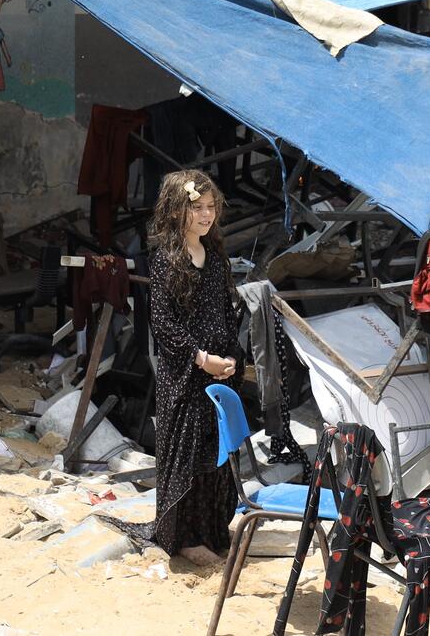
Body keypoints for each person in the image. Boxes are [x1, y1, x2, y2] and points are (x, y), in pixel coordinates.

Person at [142, 168, 242, 565]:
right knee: (188, 455)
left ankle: (213, 532)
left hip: (218, 369)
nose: (205, 215)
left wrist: (232, 356)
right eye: (196, 208)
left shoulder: (215, 258)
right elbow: (163, 322)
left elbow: (225, 311)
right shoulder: (167, 259)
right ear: (176, 210)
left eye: (210, 207)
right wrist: (200, 359)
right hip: (185, 376)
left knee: (215, 454)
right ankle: (185, 537)